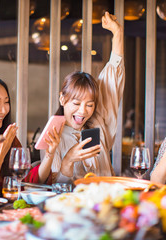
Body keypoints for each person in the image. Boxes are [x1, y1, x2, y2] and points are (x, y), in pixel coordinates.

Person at [37, 12, 125, 183]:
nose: (83, 111)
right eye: (76, 103)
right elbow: (54, 188)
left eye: (90, 104)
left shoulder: (99, 124)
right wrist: (68, 160)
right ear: (62, 99)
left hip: (106, 203)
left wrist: (117, 34)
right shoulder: (52, 136)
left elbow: (113, 77)